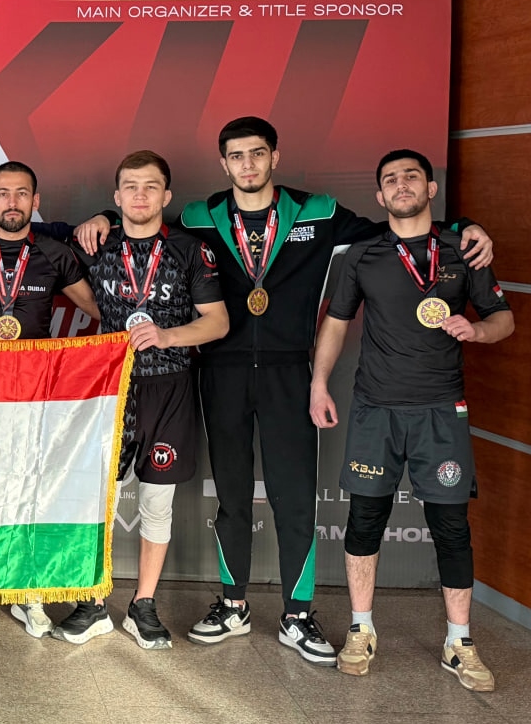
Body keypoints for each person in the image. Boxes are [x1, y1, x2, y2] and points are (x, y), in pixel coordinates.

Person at [75, 116, 491, 666]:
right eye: (236, 156)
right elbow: (146, 222)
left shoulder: (317, 212)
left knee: (294, 497)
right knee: (231, 497)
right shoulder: (201, 216)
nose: (247, 164)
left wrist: (462, 225)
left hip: (290, 372)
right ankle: (234, 606)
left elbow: (393, 225)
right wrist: (105, 217)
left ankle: (297, 614)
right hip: (220, 371)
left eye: (257, 153)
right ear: (223, 164)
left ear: (275, 156)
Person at [309, 149, 512, 690]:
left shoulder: (464, 248)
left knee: (451, 527)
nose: (401, 185)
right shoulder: (362, 255)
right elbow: (336, 323)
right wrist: (318, 383)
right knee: (364, 520)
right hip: (375, 410)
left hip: (441, 412)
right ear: (379, 195)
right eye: (391, 180)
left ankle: (459, 642)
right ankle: (361, 629)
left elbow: (503, 318)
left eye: (412, 177)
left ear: (430, 189)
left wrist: (478, 331)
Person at [54, 150, 228, 649]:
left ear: (166, 195)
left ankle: (143, 604)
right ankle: (91, 601)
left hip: (170, 387)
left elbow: (218, 322)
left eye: (151, 186)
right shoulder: (96, 244)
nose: (140, 195)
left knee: (156, 501)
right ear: (116, 196)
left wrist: (168, 336)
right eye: (130, 186)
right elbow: (31, 242)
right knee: (98, 499)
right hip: (111, 386)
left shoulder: (190, 250)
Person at [0, 160, 100, 637]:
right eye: (3, 194)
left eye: (21, 194)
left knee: (33, 488)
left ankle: (29, 590)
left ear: (36, 201)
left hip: (36, 393)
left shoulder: (54, 252)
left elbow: (98, 310)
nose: (12, 203)